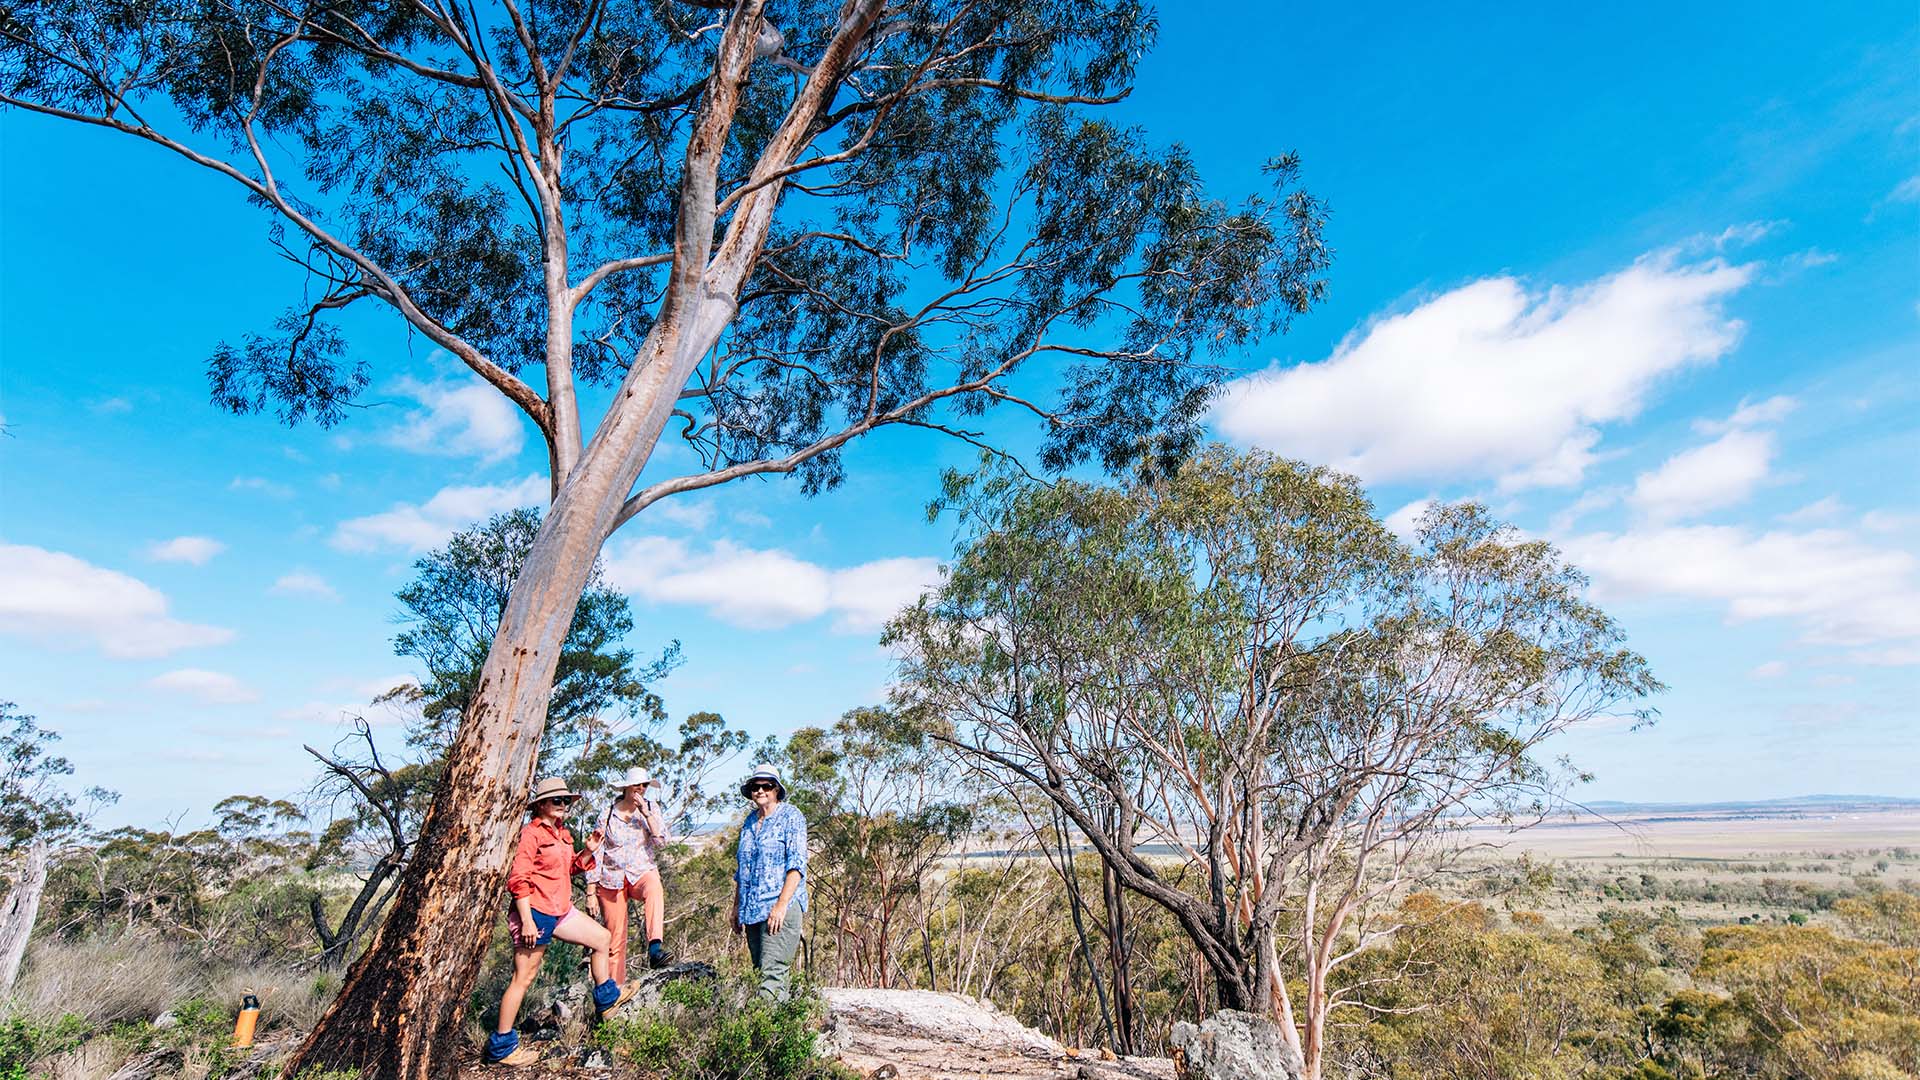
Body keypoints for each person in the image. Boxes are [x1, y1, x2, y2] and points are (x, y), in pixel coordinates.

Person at [487, 777, 637, 1067]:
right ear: (541, 805)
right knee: (524, 978)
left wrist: (589, 850)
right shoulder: (531, 834)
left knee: (601, 939)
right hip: (536, 911)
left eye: (566, 801)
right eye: (557, 800)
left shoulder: (561, 833)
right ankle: (501, 1047)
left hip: (560, 910)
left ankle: (606, 1000)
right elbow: (519, 878)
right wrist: (527, 921)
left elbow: (569, 869)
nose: (563, 805)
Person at [584, 765, 672, 984]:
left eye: (644, 785)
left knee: (654, 888)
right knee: (614, 940)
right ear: (626, 788)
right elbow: (598, 850)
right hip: (611, 879)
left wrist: (646, 814)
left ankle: (655, 947)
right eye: (637, 785)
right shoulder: (608, 813)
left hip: (641, 871)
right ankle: (615, 991)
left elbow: (661, 842)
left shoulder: (651, 808)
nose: (641, 789)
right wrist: (591, 891)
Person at [731, 765, 808, 1000]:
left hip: (779, 909)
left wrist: (781, 905)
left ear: (776, 790)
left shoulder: (791, 816)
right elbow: (742, 869)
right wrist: (736, 907)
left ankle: (772, 1036)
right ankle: (778, 1032)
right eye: (756, 786)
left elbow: (796, 865)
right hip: (752, 911)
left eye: (767, 786)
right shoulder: (749, 822)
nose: (761, 790)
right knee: (759, 976)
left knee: (771, 979)